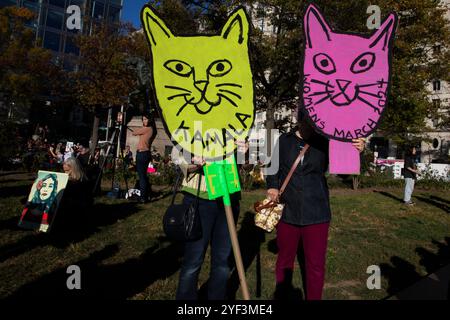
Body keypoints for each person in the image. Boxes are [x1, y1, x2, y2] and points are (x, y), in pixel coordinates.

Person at [265, 111, 365, 300]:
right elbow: (272, 168)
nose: (311, 124)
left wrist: (356, 150)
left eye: (314, 121)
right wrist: (271, 187)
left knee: (315, 265)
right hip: (287, 211)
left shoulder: (326, 142)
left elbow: (343, 172)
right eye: (307, 120)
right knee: (285, 261)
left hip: (317, 212)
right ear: (299, 120)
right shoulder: (284, 141)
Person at [173, 141, 248, 300]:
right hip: (199, 198)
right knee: (193, 259)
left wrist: (244, 153)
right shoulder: (193, 126)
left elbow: (245, 166)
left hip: (228, 197)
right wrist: (194, 162)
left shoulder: (236, 127)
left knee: (222, 261)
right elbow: (179, 157)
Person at [132, 114, 154, 203]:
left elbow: (134, 132)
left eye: (146, 119)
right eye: (143, 119)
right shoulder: (149, 129)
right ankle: (146, 194)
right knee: (143, 176)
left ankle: (143, 198)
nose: (144, 121)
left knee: (142, 177)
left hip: (142, 154)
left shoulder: (147, 128)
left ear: (149, 120)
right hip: (144, 154)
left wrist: (140, 128)